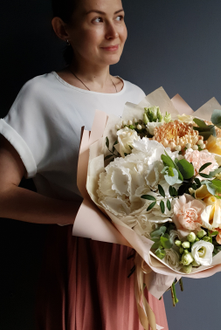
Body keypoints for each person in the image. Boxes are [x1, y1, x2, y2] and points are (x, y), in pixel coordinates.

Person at [0, 0, 169, 329]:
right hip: (80, 259)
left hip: (138, 264)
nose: (113, 31)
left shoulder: (137, 96)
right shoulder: (41, 95)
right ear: (63, 29)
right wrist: (81, 215)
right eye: (97, 20)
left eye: (118, 18)